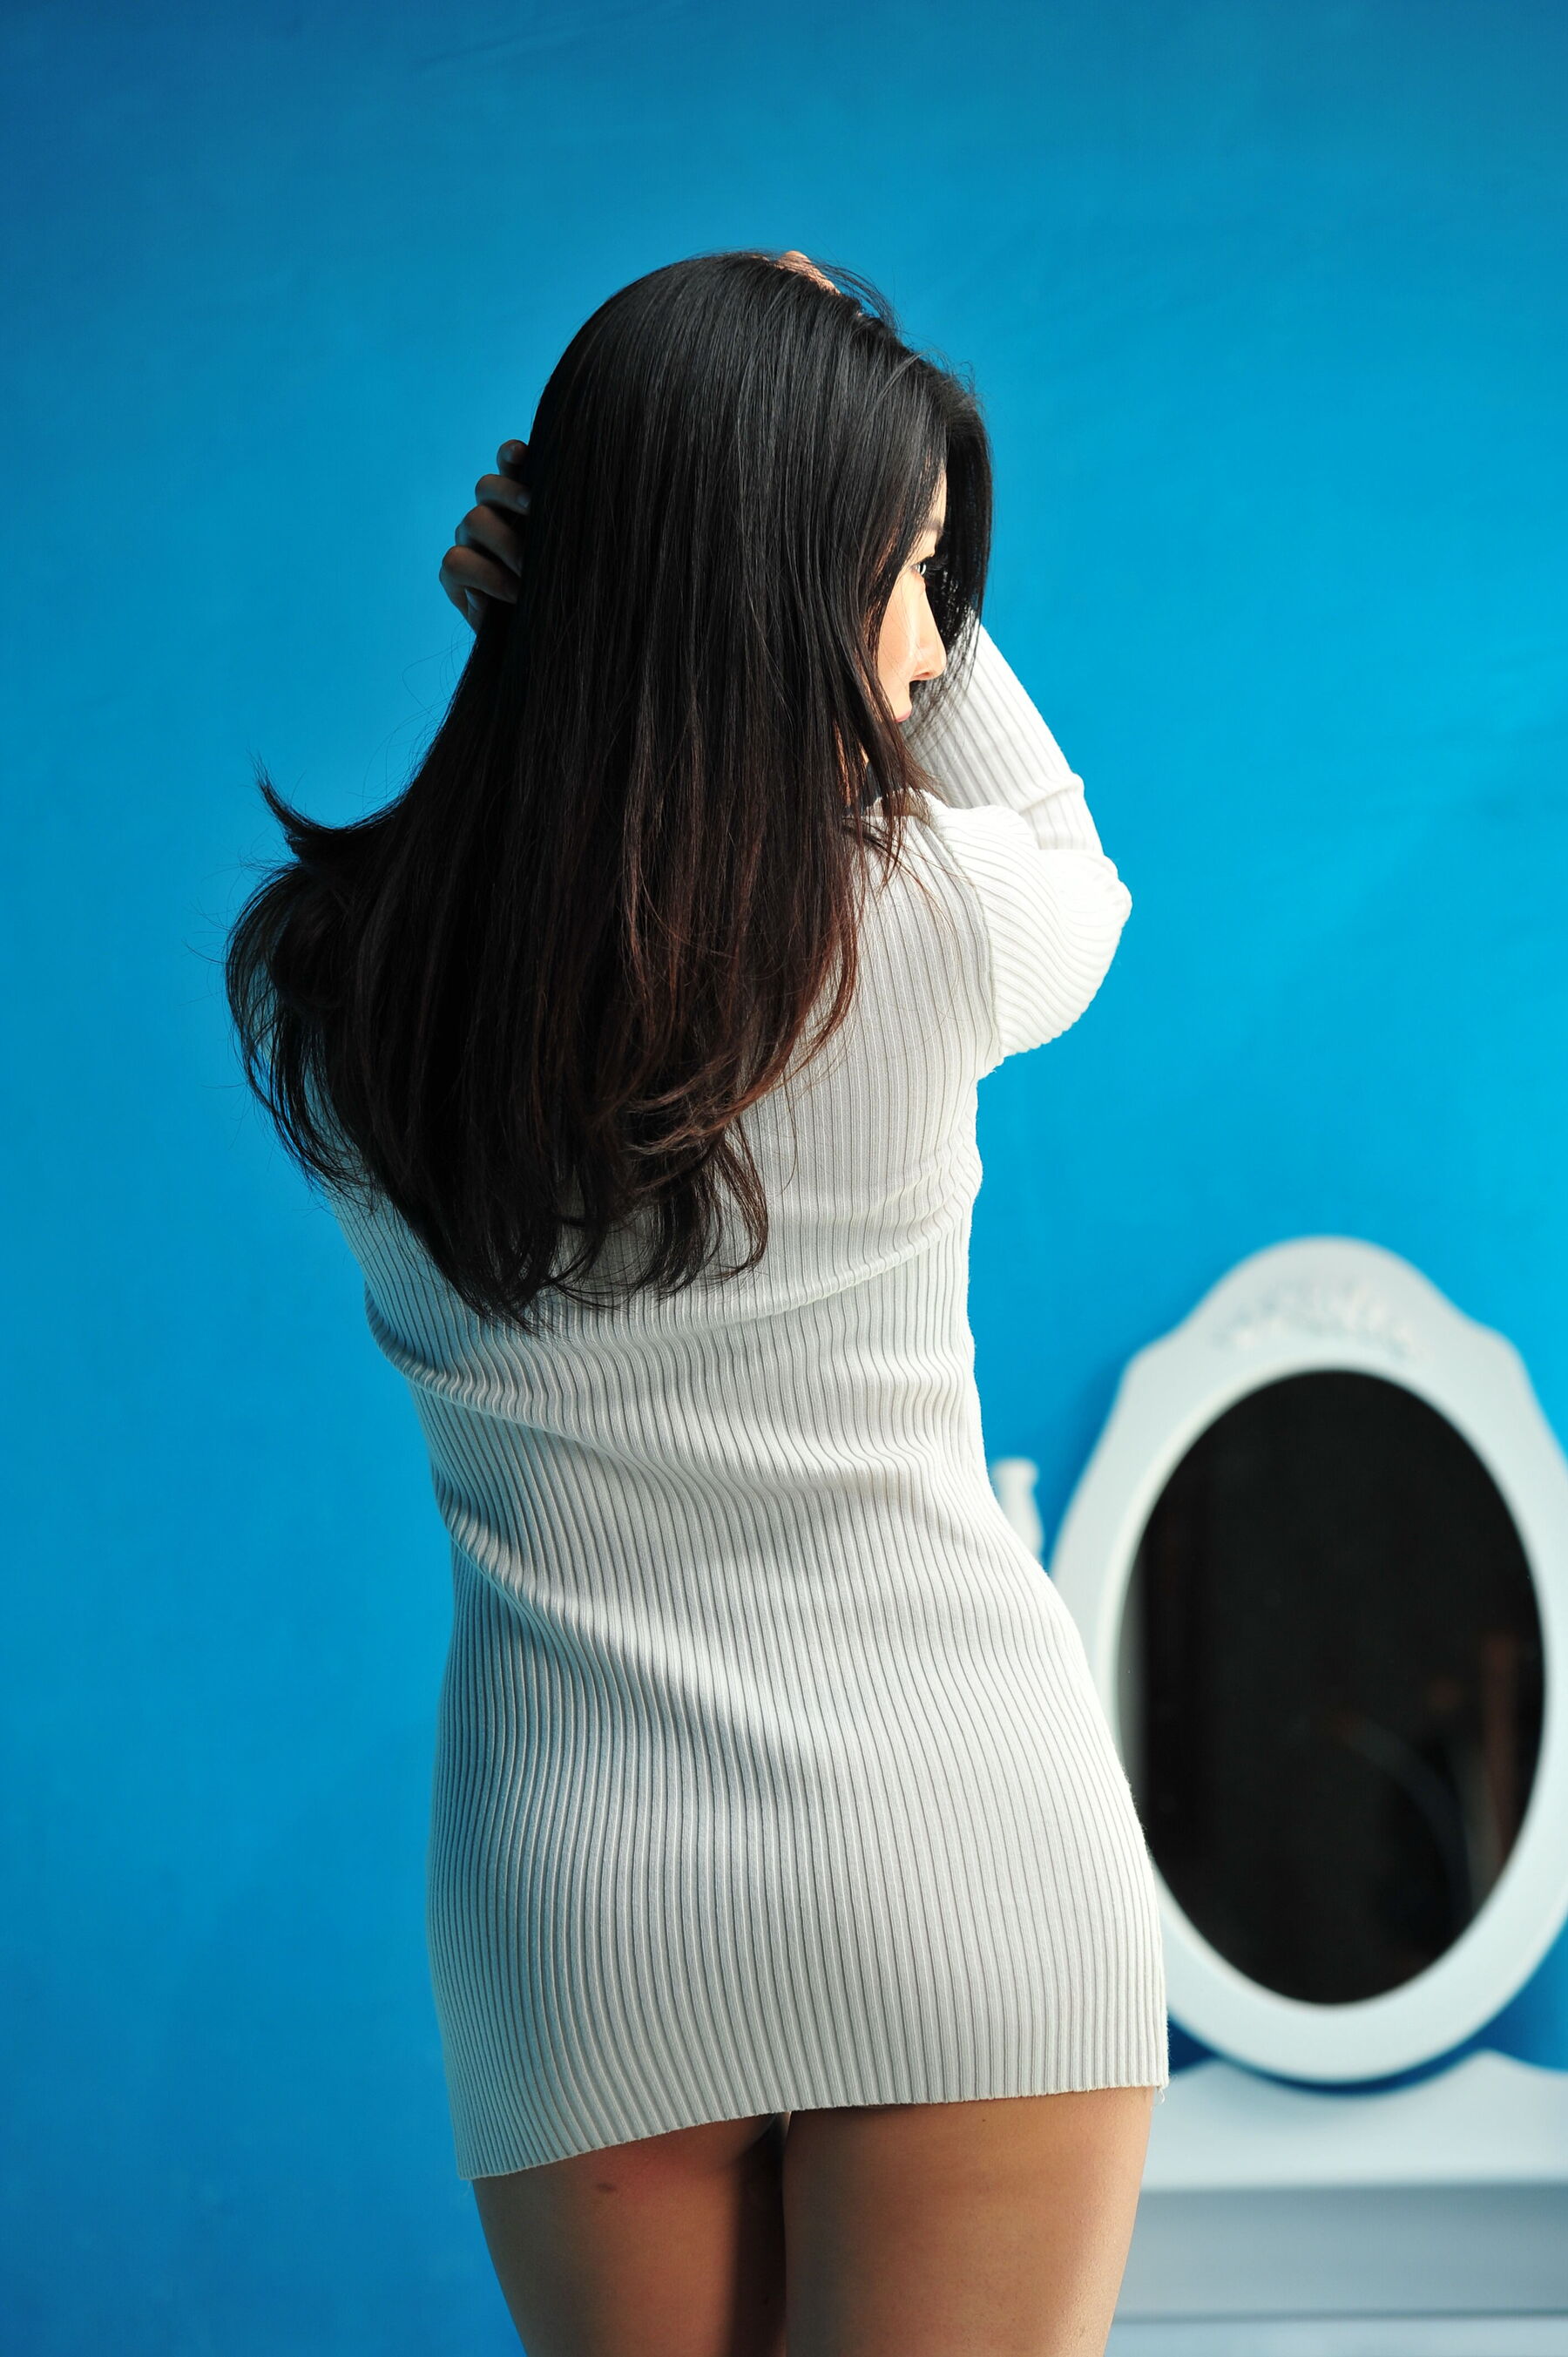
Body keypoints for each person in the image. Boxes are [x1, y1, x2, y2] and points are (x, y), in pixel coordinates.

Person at [226, 247, 1166, 2356]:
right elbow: (1072, 864)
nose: (923, 643)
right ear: (789, 590)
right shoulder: (936, 919)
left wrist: (558, 631)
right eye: (908, 578)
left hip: (581, 1890)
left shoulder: (335, 981)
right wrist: (884, 629)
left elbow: (577, 829)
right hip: (963, 1849)